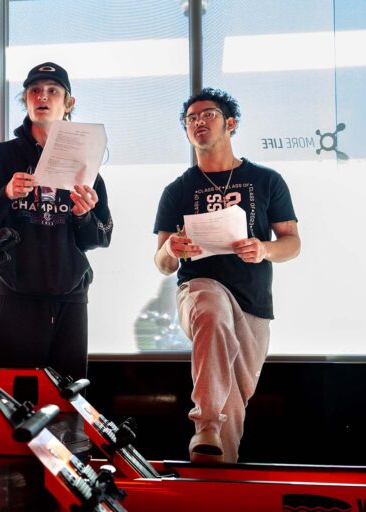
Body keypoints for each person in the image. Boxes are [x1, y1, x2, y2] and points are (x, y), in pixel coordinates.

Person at [153, 88, 300, 463]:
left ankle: (215, 478)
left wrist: (264, 249)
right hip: (199, 289)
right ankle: (204, 422)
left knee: (233, 401)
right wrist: (172, 249)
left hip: (253, 303)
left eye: (208, 115)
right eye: (191, 119)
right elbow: (163, 262)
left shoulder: (266, 181)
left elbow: (292, 243)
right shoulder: (178, 190)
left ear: (230, 123)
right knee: (211, 308)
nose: (199, 122)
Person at [0, 62, 113, 381]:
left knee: (68, 402)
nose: (42, 96)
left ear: (68, 103)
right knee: (11, 401)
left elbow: (100, 237)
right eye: (34, 90)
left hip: (70, 297)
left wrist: (83, 215)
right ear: (26, 100)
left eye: (53, 90)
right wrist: (4, 193)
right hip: (15, 295)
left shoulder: (87, 160)